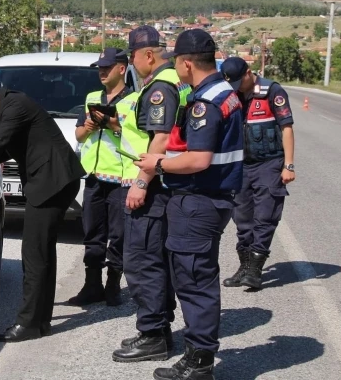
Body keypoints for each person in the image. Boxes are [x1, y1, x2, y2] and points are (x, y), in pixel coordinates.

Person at [135, 29, 244, 380]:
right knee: (197, 277)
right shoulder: (224, 92)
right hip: (212, 200)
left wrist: (157, 165)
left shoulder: (205, 102)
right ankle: (200, 357)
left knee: (194, 281)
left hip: (199, 201)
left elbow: (198, 160)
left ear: (185, 63)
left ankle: (198, 362)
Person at [0, 75, 85, 343]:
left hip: (52, 182)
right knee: (42, 253)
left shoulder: (14, 107)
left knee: (34, 255)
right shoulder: (10, 105)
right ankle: (40, 321)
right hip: (54, 181)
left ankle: (29, 324)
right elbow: (7, 147)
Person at [111, 26, 191, 363]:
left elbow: (159, 139)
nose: (130, 62)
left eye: (131, 56)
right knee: (153, 260)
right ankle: (156, 330)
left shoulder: (160, 87)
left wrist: (141, 183)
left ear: (147, 55)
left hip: (153, 185)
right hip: (165, 183)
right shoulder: (175, 82)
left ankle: (154, 334)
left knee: (142, 261)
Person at [220, 57, 296, 290]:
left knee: (265, 217)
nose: (237, 88)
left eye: (238, 82)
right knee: (242, 219)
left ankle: (255, 270)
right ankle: (244, 266)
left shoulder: (273, 92)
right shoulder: (232, 95)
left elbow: (287, 128)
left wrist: (289, 165)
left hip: (269, 164)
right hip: (241, 166)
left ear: (248, 73)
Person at [69, 47, 130, 307]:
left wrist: (114, 126)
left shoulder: (134, 100)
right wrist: (89, 126)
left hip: (120, 178)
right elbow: (78, 135)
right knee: (92, 233)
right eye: (100, 67)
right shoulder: (92, 97)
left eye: (107, 67)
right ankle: (92, 284)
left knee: (118, 235)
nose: (102, 71)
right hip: (93, 176)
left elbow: (138, 138)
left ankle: (113, 285)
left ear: (122, 69)